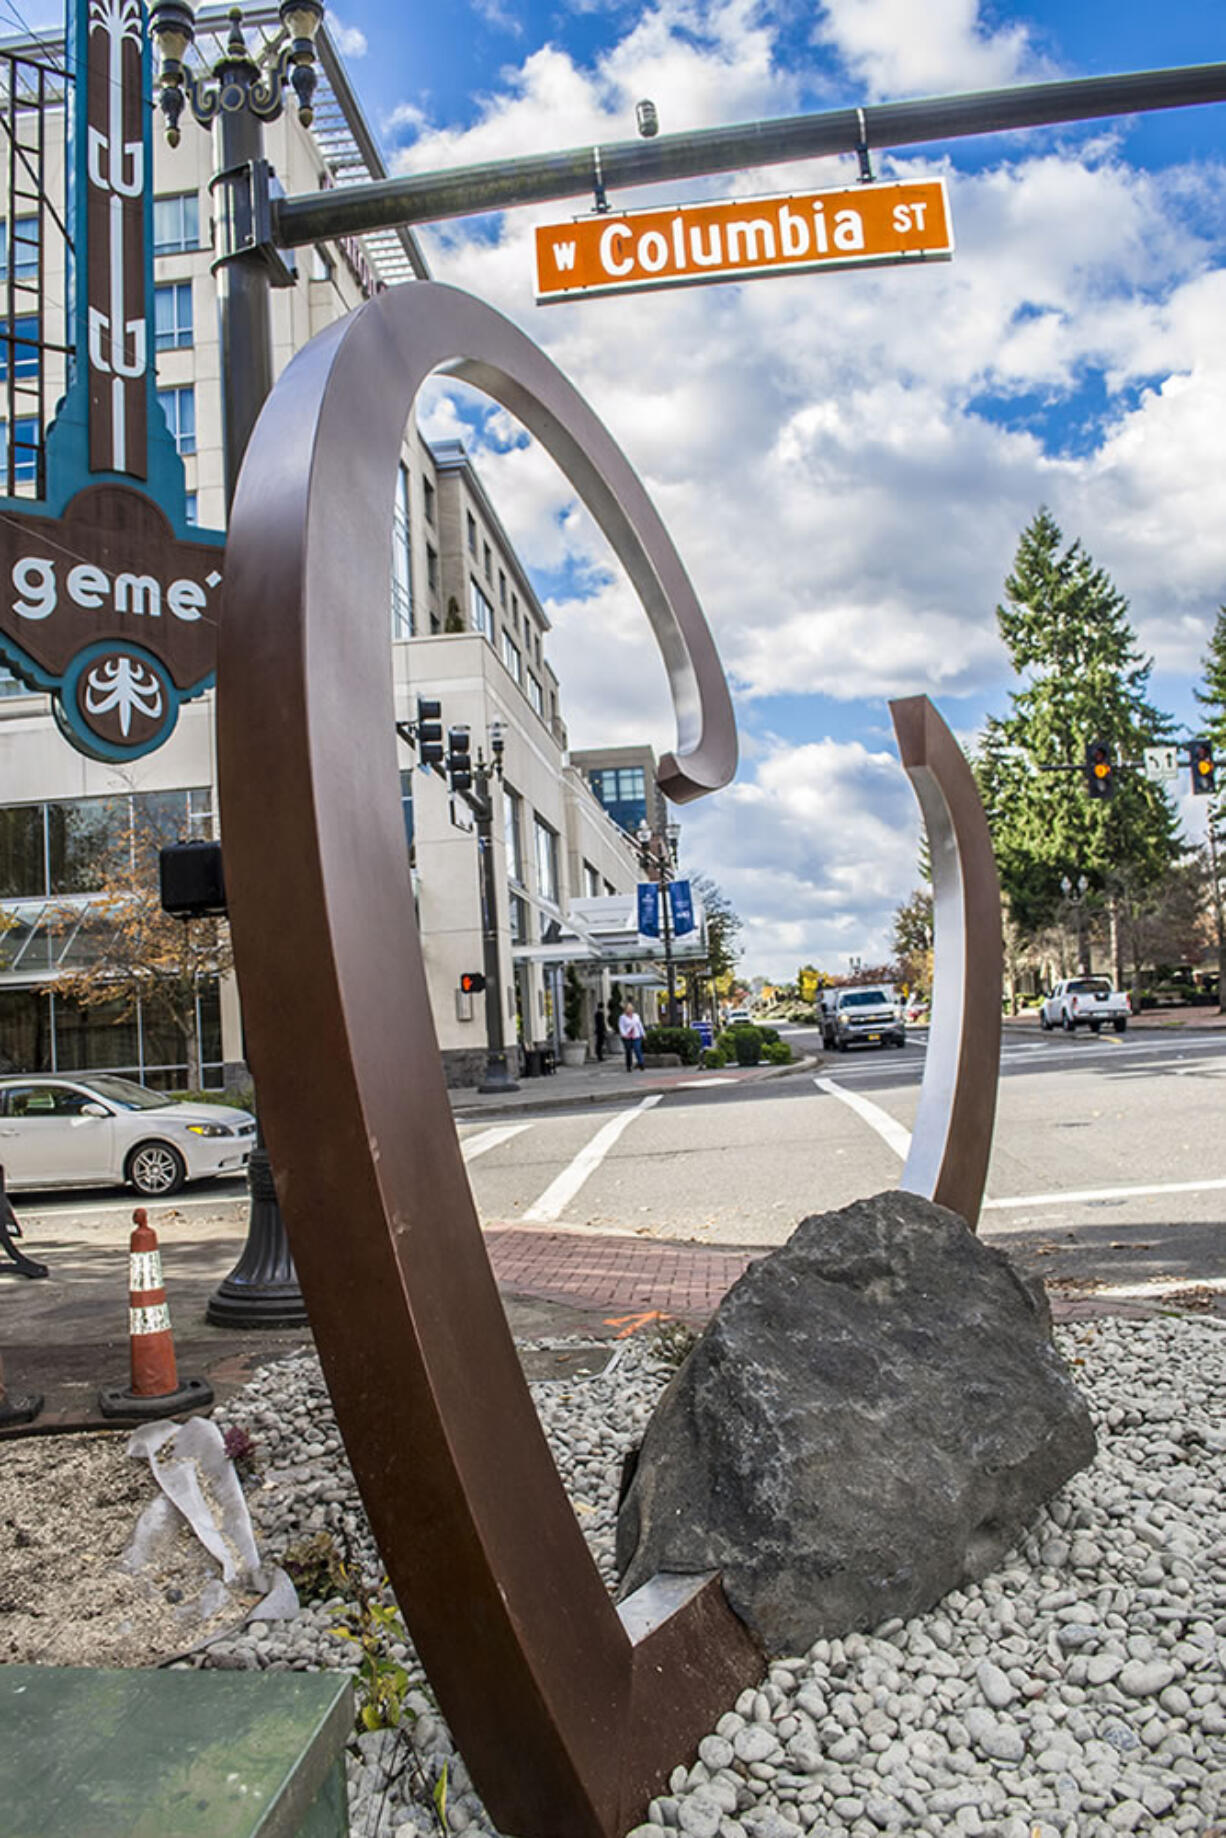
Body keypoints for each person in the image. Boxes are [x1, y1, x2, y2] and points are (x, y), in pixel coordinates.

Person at [619, 1000, 646, 1071]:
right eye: (627, 1009)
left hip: (636, 1035)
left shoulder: (636, 1016)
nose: (629, 1011)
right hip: (627, 1036)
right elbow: (621, 1026)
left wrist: (643, 1033)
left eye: (630, 1009)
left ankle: (641, 1063)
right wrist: (623, 1034)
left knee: (637, 1049)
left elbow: (639, 1025)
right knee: (628, 1051)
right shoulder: (622, 1017)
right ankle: (629, 1066)